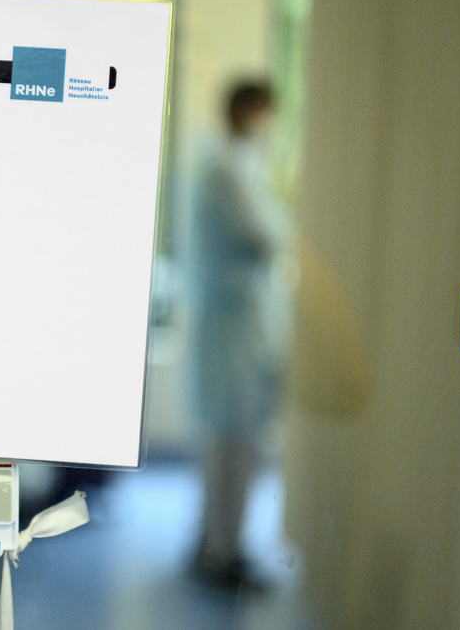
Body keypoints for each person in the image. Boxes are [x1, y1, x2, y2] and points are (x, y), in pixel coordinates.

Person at [187, 80, 292, 590]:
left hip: (234, 324)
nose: (269, 124)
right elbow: (268, 236)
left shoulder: (230, 163)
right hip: (232, 325)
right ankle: (220, 553)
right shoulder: (227, 168)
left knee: (228, 443)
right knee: (232, 445)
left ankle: (214, 543)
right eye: (265, 113)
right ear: (248, 111)